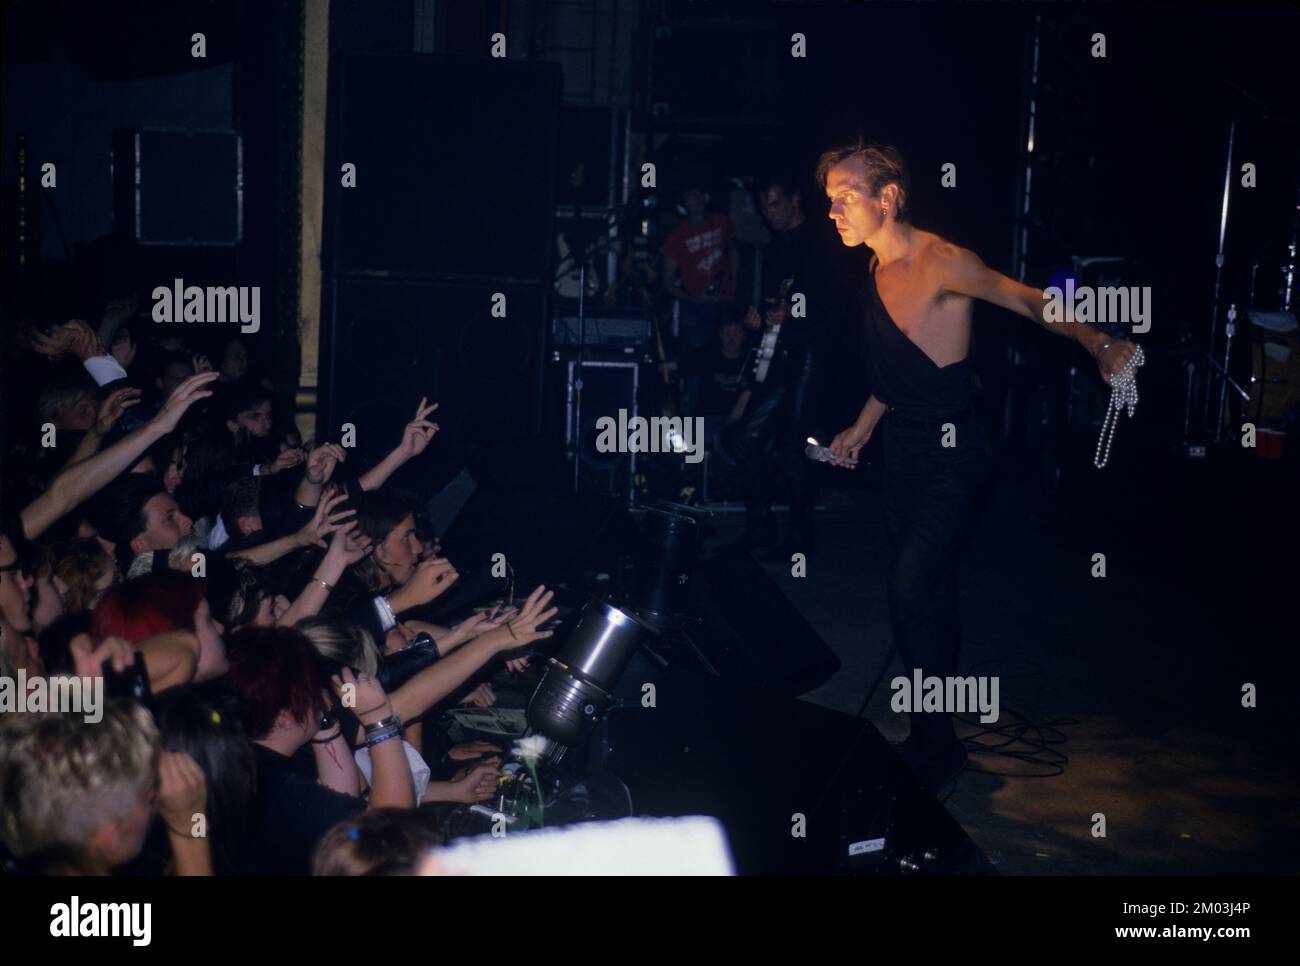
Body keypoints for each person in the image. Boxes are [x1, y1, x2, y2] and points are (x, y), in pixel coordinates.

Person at [821, 141, 1138, 791]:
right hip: (903, 453)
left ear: (888, 197)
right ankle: (934, 735)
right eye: (829, 200)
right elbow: (902, 368)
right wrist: (862, 426)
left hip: (951, 455)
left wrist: (1099, 341)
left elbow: (1028, 300)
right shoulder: (873, 274)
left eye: (846, 196)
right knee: (929, 592)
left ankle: (938, 746)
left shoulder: (942, 261)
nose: (834, 211)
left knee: (910, 585)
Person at [721, 175, 856, 553]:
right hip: (781, 359)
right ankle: (761, 528)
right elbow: (774, 305)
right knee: (746, 439)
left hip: (813, 357)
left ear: (795, 199)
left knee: (794, 447)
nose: (769, 212)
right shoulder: (778, 249)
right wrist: (759, 317)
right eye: (764, 206)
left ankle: (799, 538)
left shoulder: (824, 242)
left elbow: (835, 302)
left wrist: (790, 313)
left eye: (774, 203)